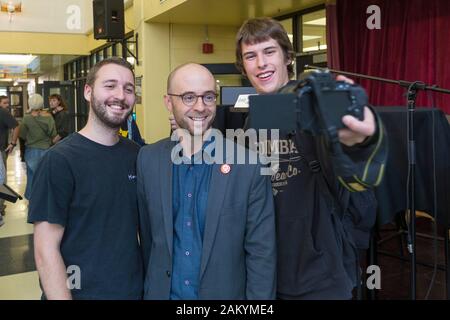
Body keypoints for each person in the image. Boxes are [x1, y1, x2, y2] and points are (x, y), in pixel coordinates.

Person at [234, 17, 386, 299]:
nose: (260, 64)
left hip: (320, 272)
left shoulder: (311, 106)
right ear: (243, 66)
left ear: (287, 57)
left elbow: (351, 153)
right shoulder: (254, 118)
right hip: (270, 272)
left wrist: (360, 138)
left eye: (269, 52)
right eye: (250, 56)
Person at [137, 63, 276, 300]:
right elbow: (150, 240)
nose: (200, 107)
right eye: (188, 97)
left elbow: (261, 254)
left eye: (208, 97)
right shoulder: (148, 159)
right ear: (169, 103)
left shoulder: (249, 166)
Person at [28, 57, 143, 300]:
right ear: (88, 92)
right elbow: (45, 250)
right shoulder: (59, 161)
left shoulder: (136, 155)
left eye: (128, 88)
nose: (120, 95)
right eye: (110, 86)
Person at [19, 94, 57, 200]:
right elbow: (53, 133)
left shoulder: (26, 118)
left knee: (31, 177)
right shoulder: (48, 117)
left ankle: (31, 199)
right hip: (46, 150)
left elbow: (22, 135)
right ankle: (44, 199)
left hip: (31, 151)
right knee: (45, 177)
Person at [0, 95, 19, 216]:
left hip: (1, 150)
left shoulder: (3, 113)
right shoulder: (2, 112)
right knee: (1, 180)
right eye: (5, 103)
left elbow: (16, 126)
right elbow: (16, 126)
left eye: (8, 103)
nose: (7, 105)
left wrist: (12, 143)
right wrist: (12, 143)